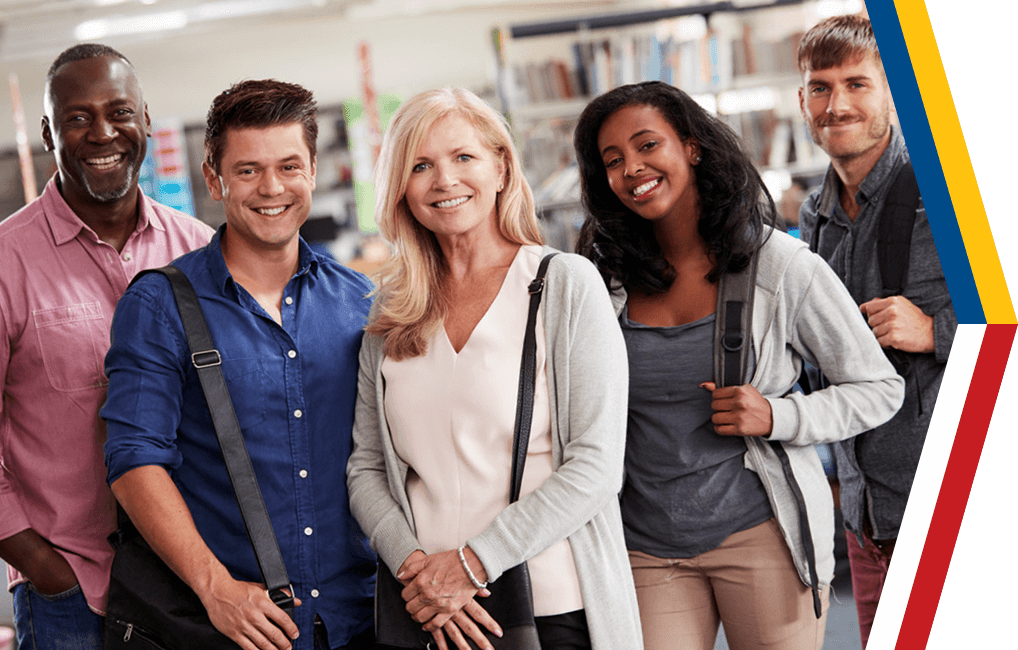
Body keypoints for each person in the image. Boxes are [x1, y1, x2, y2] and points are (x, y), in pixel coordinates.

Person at [573, 80, 905, 650]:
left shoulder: (781, 266)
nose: (632, 168)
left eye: (647, 145)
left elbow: (879, 387)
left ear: (692, 147)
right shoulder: (601, 280)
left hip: (763, 538)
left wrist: (779, 416)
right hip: (644, 547)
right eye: (613, 160)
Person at [346, 87, 642, 650]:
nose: (444, 180)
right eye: (421, 165)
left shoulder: (563, 285)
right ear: (401, 189)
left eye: (463, 158)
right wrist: (420, 572)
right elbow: (365, 468)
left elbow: (597, 467)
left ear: (502, 167)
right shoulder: (390, 310)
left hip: (550, 604)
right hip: (427, 611)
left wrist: (472, 565)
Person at [101, 79, 375, 650]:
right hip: (228, 626)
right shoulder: (158, 305)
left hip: (357, 621)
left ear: (314, 170)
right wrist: (215, 587)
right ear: (214, 178)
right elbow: (133, 461)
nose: (271, 188)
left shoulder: (361, 303)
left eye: (289, 166)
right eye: (248, 170)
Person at [0, 43, 214, 649]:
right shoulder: (6, 263)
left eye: (120, 112)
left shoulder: (200, 252)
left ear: (145, 120)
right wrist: (43, 567)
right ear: (48, 132)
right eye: (77, 117)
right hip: (73, 593)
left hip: (198, 582)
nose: (103, 133)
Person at [796, 15, 955, 647]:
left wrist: (937, 330)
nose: (836, 105)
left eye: (857, 84)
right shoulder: (814, 216)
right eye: (819, 87)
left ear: (893, 92)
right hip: (867, 518)